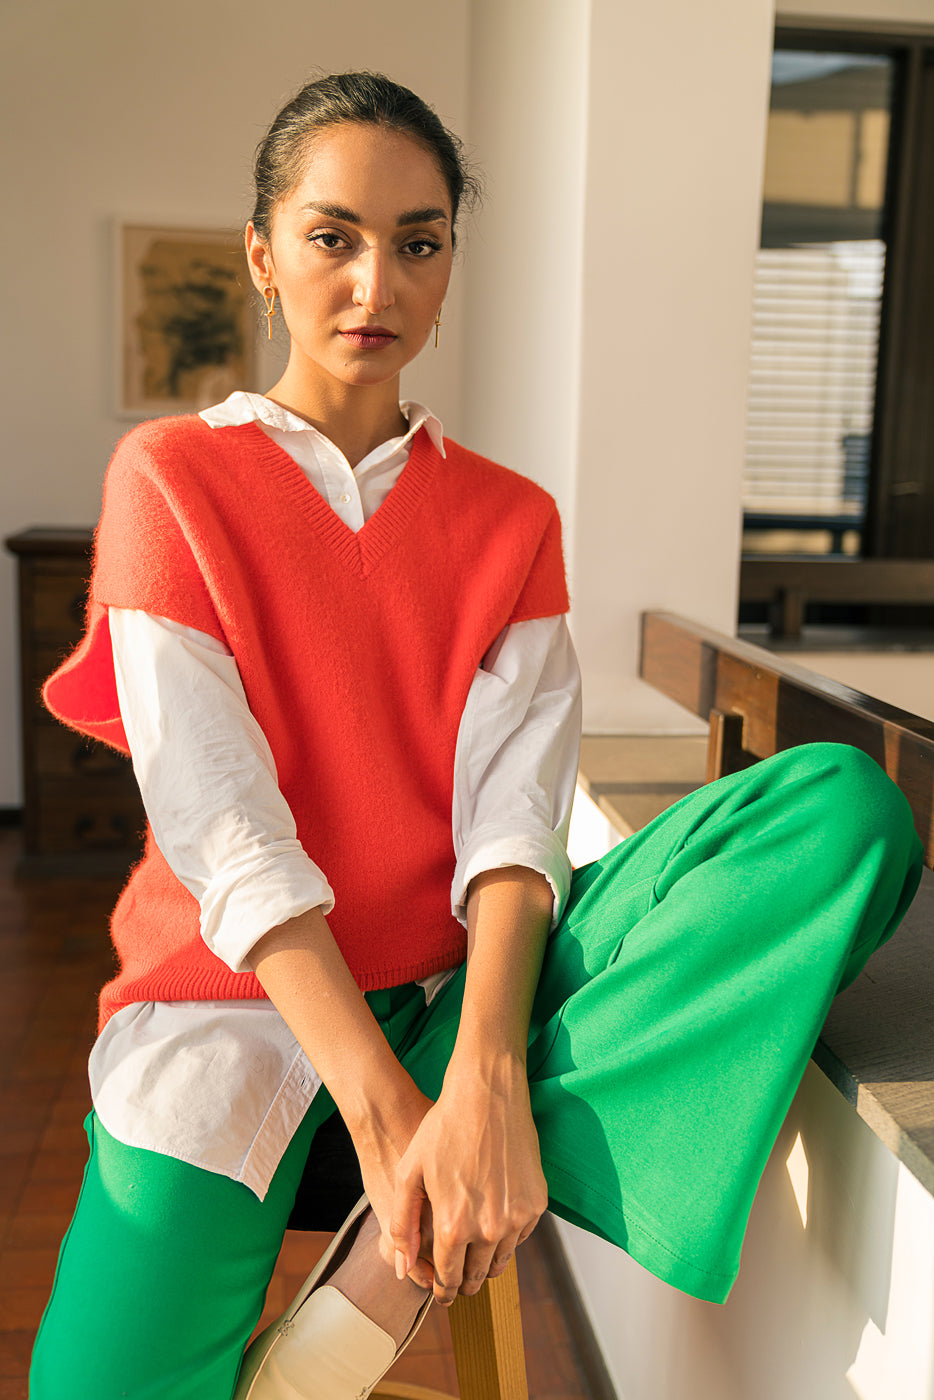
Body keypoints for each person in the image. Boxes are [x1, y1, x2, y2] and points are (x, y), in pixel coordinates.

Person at [31, 71, 922, 1400]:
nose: (374, 283)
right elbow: (228, 835)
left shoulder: (510, 519)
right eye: (332, 236)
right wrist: (396, 1125)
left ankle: (389, 1272)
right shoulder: (172, 479)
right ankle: (393, 1260)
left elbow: (512, 825)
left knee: (839, 809)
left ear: (450, 265)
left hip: (457, 998)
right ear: (262, 254)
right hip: (230, 1007)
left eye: (419, 242)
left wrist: (486, 1075)